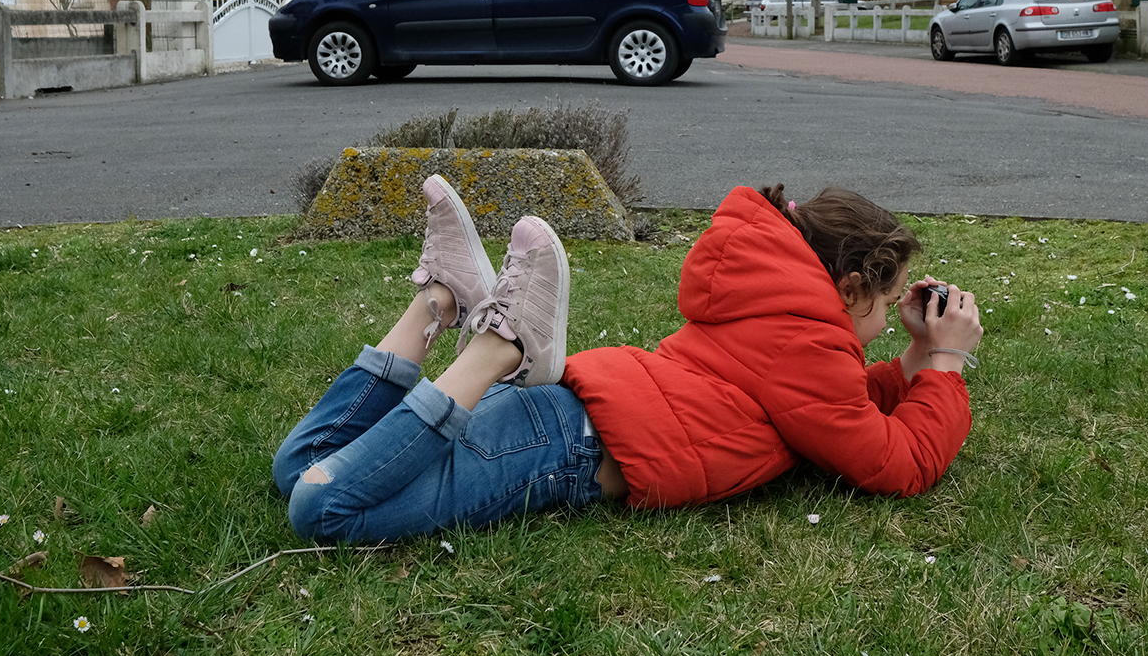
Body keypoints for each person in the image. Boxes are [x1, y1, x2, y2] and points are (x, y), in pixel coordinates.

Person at [273, 175, 983, 543]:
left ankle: (438, 303)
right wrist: (946, 365)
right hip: (562, 448)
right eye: (888, 307)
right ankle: (499, 346)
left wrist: (921, 354)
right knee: (325, 506)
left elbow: (840, 407)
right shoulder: (808, 344)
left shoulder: (772, 305)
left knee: (298, 466)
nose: (889, 323)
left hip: (567, 412)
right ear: (852, 287)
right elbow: (895, 463)